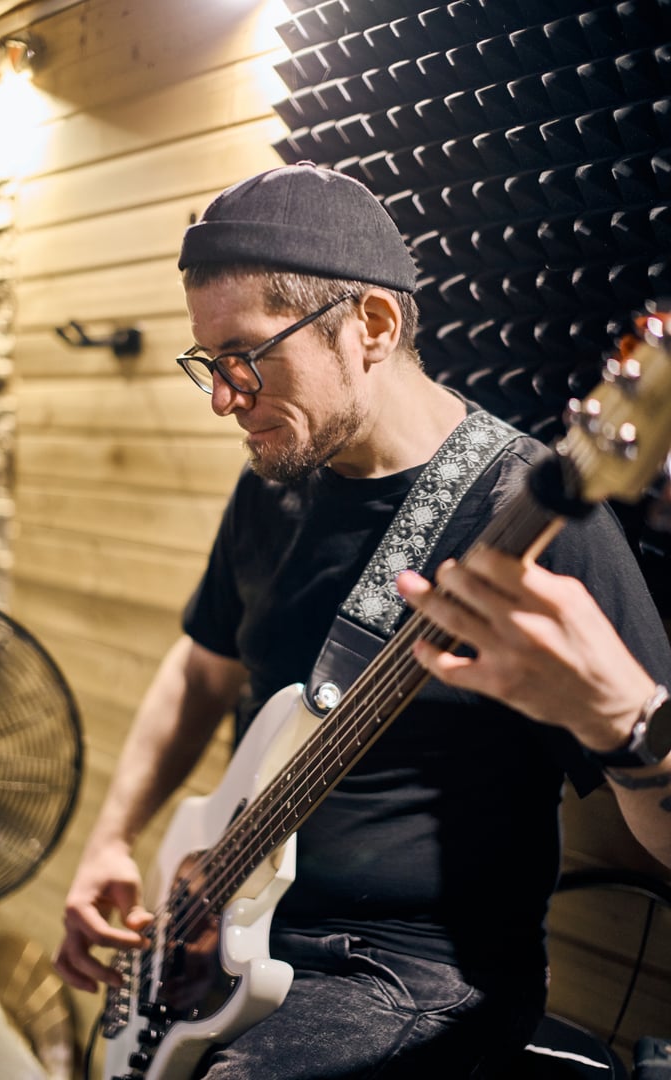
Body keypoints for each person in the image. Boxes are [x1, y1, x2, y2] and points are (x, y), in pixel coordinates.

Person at [54, 163, 671, 1080]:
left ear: (373, 326)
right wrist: (113, 835)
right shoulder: (281, 473)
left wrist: (626, 725)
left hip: (414, 974)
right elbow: (204, 663)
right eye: (208, 363)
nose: (225, 397)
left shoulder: (538, 522)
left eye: (247, 357)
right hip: (229, 923)